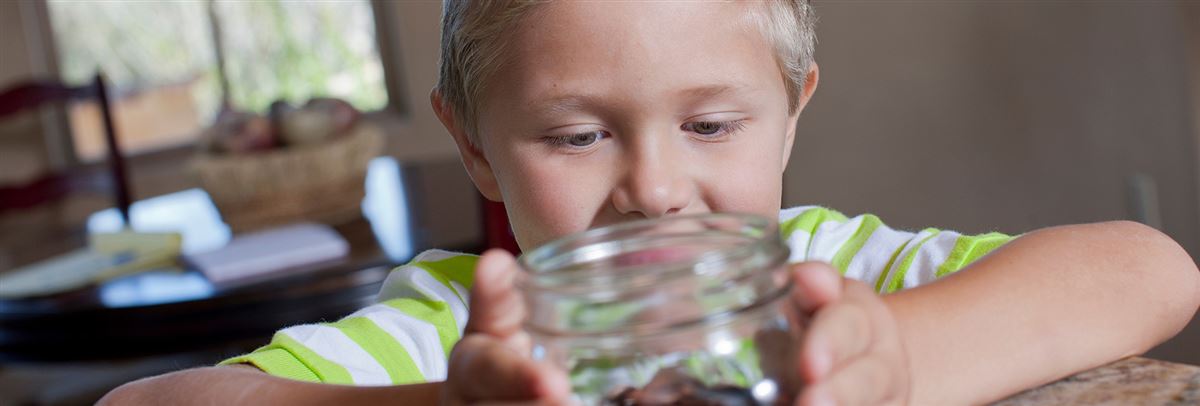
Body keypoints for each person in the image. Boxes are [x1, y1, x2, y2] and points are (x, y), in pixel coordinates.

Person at [102, 1, 1200, 405]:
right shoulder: (462, 324)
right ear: (473, 148)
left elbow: (1149, 270)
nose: (659, 191)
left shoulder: (827, 268)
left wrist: (894, 365)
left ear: (794, 112)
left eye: (712, 126)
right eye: (578, 136)